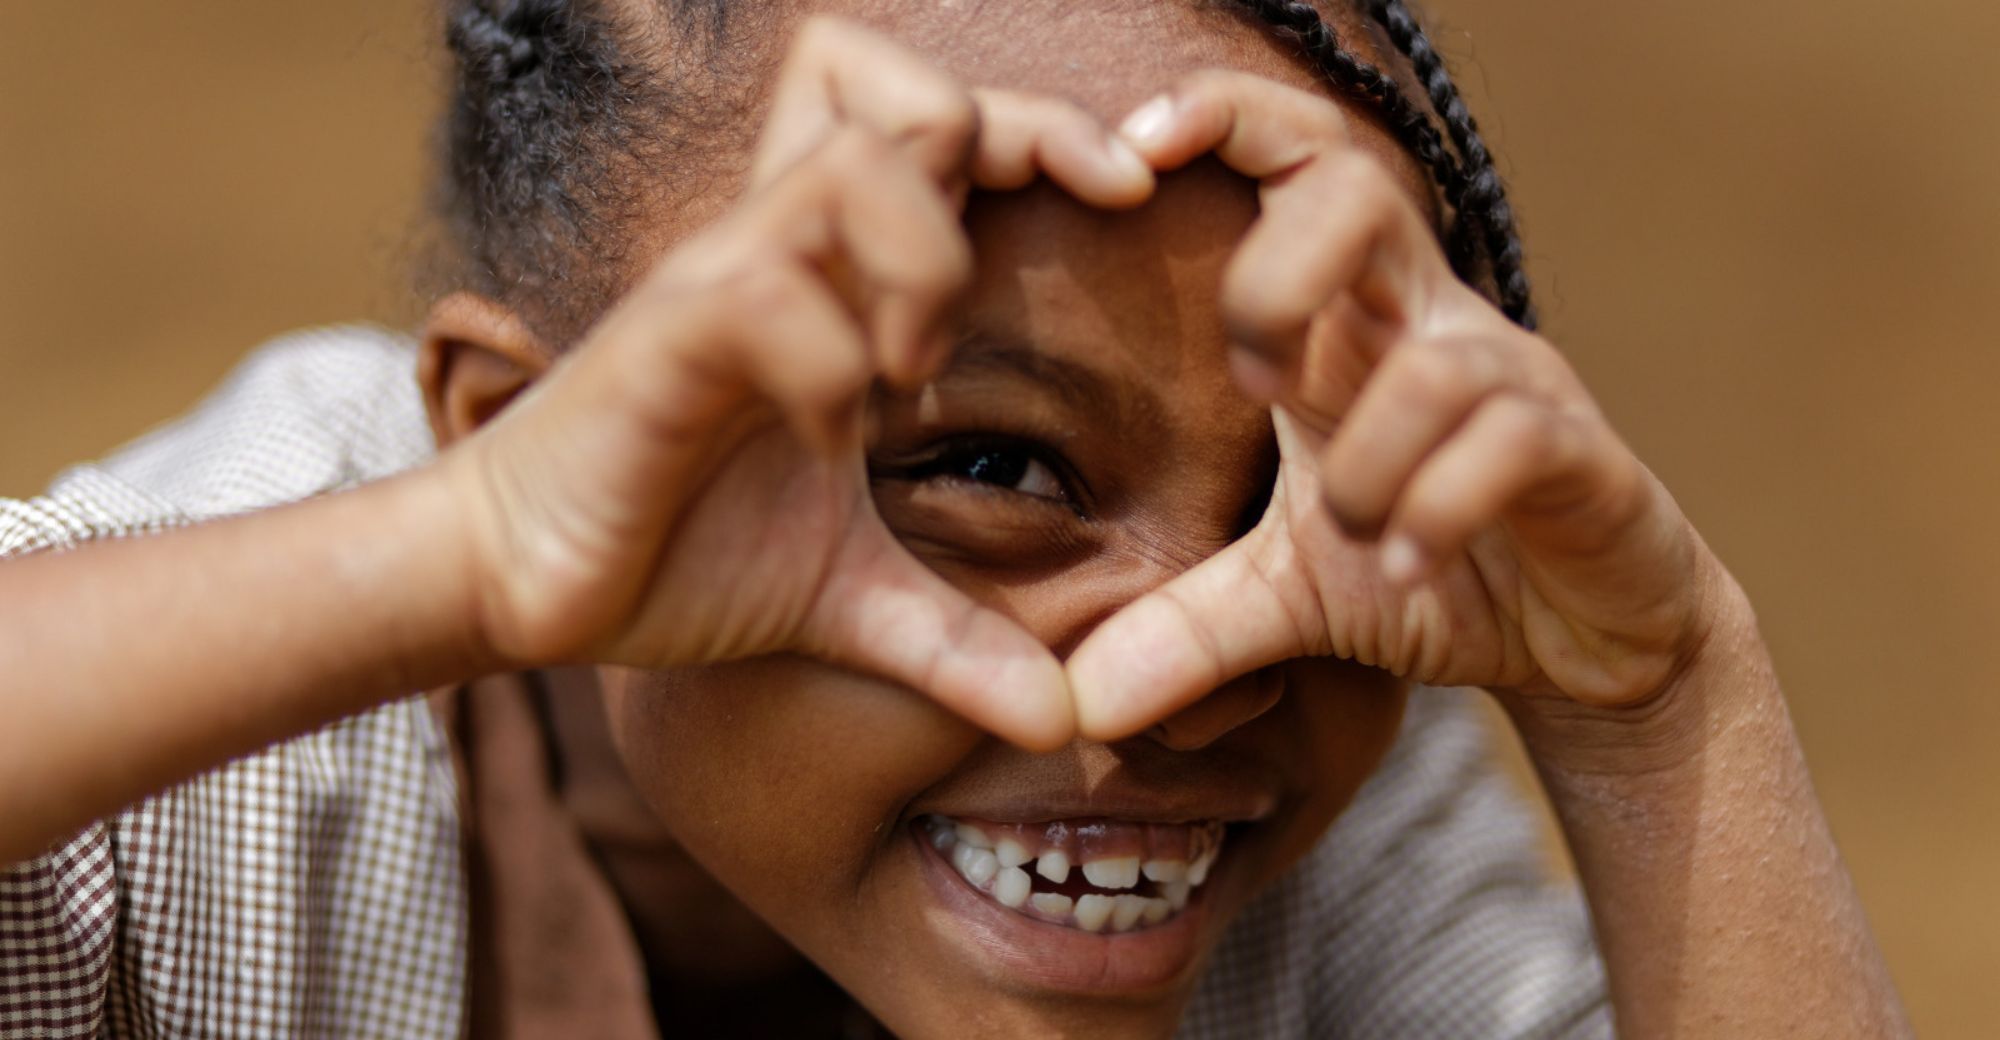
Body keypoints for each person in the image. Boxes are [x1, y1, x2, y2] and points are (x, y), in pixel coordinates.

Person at [0, 1, 1910, 1037]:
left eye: (1299, 483)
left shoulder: (1337, 789)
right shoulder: (206, 757)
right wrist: (468, 558)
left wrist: (1666, 701)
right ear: (515, 434)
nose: (1178, 666)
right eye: (991, 468)